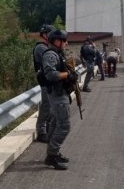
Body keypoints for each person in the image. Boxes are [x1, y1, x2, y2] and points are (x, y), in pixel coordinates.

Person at [42, 29, 77, 170]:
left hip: (60, 93)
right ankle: (51, 155)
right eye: (64, 40)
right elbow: (50, 74)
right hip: (57, 95)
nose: (66, 43)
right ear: (56, 41)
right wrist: (67, 75)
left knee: (56, 123)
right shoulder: (50, 55)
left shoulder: (57, 54)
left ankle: (53, 152)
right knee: (64, 125)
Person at [32, 24, 55, 143]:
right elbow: (51, 61)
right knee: (46, 106)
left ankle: (48, 128)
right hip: (45, 81)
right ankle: (41, 131)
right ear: (45, 34)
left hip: (50, 81)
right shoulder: (41, 47)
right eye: (51, 33)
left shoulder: (47, 46)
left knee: (50, 106)